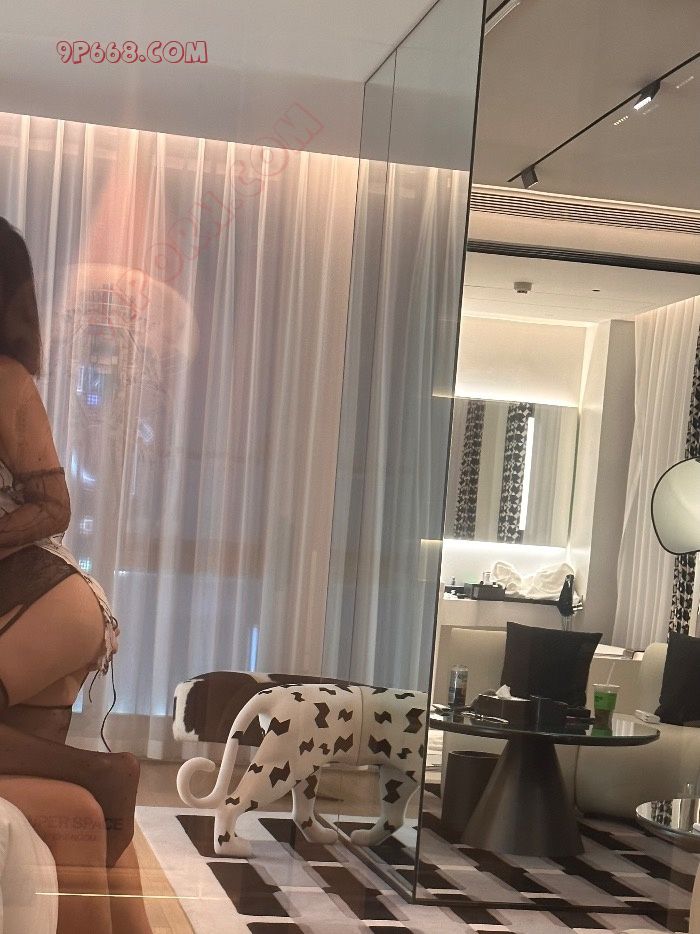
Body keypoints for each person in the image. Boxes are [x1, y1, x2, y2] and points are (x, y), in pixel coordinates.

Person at [0, 217, 150, 933]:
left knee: (81, 801)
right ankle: (103, 781)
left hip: (39, 600)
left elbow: (56, 507)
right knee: (78, 818)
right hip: (34, 606)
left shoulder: (3, 378)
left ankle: (103, 774)